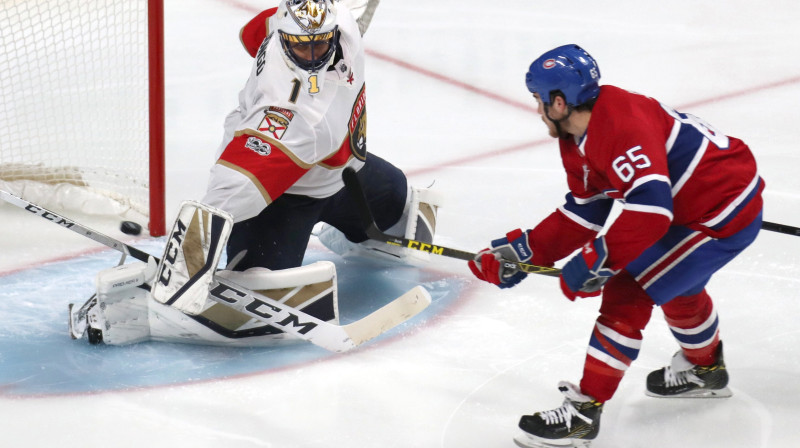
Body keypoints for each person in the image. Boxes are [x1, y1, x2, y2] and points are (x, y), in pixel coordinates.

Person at [69, 0, 440, 347]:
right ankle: (145, 304)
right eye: (300, 47)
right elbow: (231, 191)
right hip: (283, 196)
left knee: (395, 198)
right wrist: (183, 267)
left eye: (318, 44)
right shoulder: (297, 117)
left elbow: (252, 33)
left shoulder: (334, 22)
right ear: (284, 36)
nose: (312, 56)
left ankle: (355, 224)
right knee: (256, 276)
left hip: (342, 176)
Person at [468, 44, 763, 447]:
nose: (537, 109)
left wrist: (601, 259)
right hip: (695, 204)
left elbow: (652, 212)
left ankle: (583, 414)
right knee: (676, 284)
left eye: (539, 100)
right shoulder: (576, 136)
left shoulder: (620, 126)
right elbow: (586, 211)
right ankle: (706, 370)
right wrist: (526, 252)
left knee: (630, 289)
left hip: (718, 213)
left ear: (559, 102)